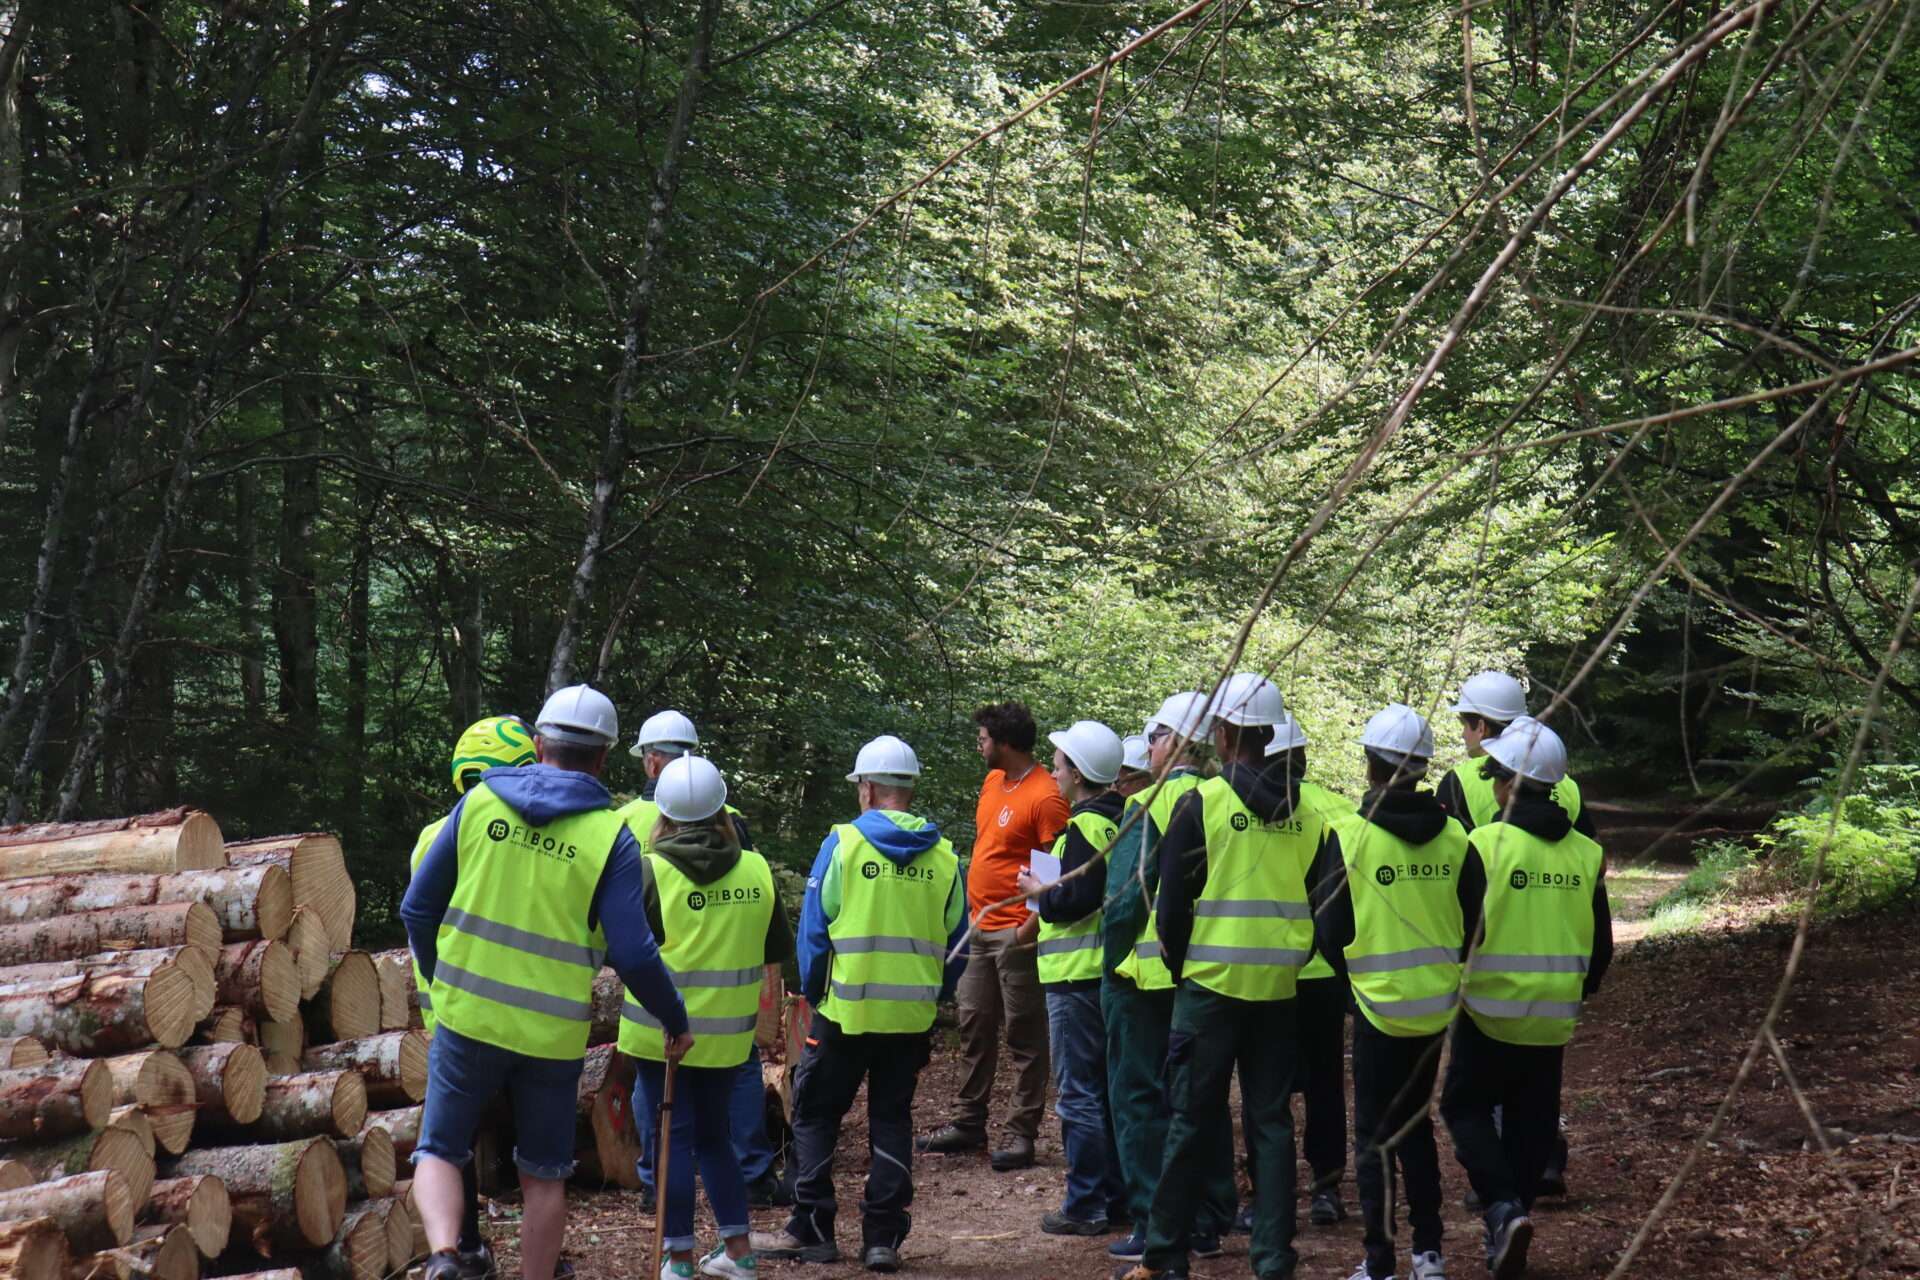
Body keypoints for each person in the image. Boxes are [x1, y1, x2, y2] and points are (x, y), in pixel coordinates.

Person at [403, 686, 692, 1280]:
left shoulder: (479, 804)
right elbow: (634, 953)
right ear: (604, 758)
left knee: (439, 1149)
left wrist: (443, 981)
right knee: (543, 1176)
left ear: (538, 745)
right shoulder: (610, 837)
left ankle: (444, 1256)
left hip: (467, 1018)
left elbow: (417, 910)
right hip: (551, 1036)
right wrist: (674, 1017)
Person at [1118, 674, 1339, 1280]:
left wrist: (1182, 967)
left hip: (1209, 990)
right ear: (1270, 734)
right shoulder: (1310, 814)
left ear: (1221, 733)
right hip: (1279, 992)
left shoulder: (1202, 803)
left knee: (1190, 1121)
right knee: (1271, 1126)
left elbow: (1170, 907)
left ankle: (1165, 1258)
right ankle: (1273, 1260)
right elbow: (1329, 909)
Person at [754, 736, 966, 1273]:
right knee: (891, 1118)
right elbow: (958, 943)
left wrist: (815, 992)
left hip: (844, 1012)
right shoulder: (944, 857)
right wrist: (935, 995)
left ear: (867, 788)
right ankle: (882, 1239)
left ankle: (812, 1228)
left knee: (815, 1112)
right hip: (910, 1018)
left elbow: (814, 933)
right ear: (909, 788)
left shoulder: (844, 844)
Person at [1439, 717, 1612, 1280]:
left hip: (1490, 1007)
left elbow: (1461, 928)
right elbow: (1602, 943)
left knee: (1464, 1107)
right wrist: (1578, 988)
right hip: (1555, 1011)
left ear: (1511, 784)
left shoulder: (1484, 845)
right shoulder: (1586, 853)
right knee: (1531, 1122)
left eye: (1496, 775)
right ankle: (1511, 1221)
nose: (1491, 783)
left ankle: (1503, 1207)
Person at [1312, 705, 1470, 1280]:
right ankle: (1429, 1254)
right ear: (1424, 768)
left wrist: (1354, 983)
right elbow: (1476, 918)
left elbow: (1329, 928)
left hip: (1376, 1007)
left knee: (1375, 1137)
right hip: (1436, 1006)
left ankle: (1379, 1262)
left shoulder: (1351, 836)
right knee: (1416, 1128)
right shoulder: (1456, 836)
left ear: (1370, 764)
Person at [621, 755, 789, 1280]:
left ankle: (678, 1261)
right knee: (716, 1138)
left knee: (671, 1141)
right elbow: (774, 950)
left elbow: (623, 951)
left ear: (663, 814)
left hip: (662, 1035)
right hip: (728, 1037)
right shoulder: (756, 869)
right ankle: (739, 1252)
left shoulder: (649, 871)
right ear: (722, 810)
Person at [1104, 693, 1233, 1266]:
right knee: (1201, 1100)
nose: (1148, 747)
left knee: (1139, 1099)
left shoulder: (1149, 804)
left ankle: (1153, 1221)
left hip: (1143, 977)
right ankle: (1208, 1218)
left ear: (1175, 742)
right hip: (1206, 975)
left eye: (1154, 736)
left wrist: (1110, 964)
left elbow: (1124, 900)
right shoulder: (1221, 797)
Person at [407, 714, 537, 1280]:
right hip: (519, 1008)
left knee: (451, 1136)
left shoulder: (431, 836)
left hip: (450, 1007)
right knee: (529, 1137)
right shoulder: (512, 836)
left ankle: (464, 1249)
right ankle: (537, 1253)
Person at [919, 701, 1068, 1172]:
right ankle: (969, 1122)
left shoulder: (1046, 795)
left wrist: (1028, 929)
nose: (978, 745)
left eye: (983, 738)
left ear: (1004, 742)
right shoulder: (992, 782)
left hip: (1016, 932)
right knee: (973, 1024)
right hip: (978, 927)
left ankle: (1021, 1133)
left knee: (1024, 1034)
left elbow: (1055, 868)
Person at [1015, 720, 1127, 1236]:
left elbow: (1075, 900)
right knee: (1105, 1092)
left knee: (1079, 1095)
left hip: (1073, 978)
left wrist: (1037, 892)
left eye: (1059, 765)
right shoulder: (1117, 822)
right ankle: (1115, 1197)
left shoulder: (1083, 828)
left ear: (1078, 774)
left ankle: (1085, 1204)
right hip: (1103, 977)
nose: (1054, 772)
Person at [1263, 715, 1354, 1228]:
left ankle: (1268, 1191)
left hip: (1267, 968)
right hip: (1324, 968)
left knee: (1266, 1086)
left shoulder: (1243, 805)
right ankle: (1326, 1186)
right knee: (1324, 1083)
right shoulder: (1338, 809)